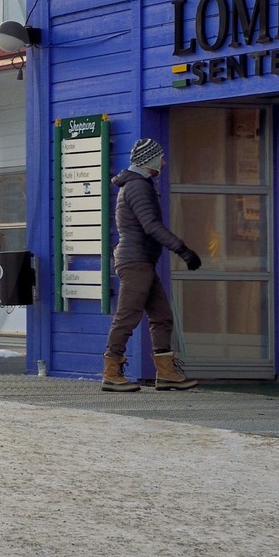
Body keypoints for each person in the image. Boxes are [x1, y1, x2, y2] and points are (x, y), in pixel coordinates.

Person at [104, 138, 201, 392]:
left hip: (143, 261)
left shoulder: (140, 184)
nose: (165, 162)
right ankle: (111, 372)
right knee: (128, 316)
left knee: (161, 316)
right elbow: (151, 226)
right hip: (135, 262)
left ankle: (166, 373)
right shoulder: (137, 187)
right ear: (151, 160)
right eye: (161, 157)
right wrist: (183, 250)